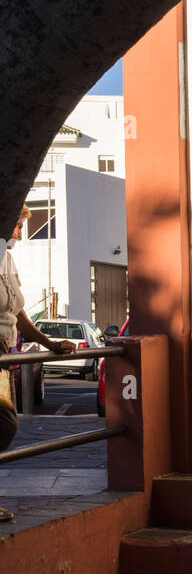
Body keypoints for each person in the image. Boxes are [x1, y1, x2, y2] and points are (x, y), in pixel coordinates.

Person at [0, 206, 77, 521]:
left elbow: (17, 311)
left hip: (6, 361)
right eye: (17, 225)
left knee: (4, 426)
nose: (19, 233)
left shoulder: (7, 258)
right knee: (5, 424)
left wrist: (49, 344)